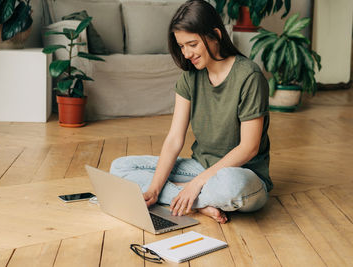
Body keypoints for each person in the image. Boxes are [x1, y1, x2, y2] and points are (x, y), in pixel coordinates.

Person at [110, 0, 273, 224]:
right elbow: (175, 139)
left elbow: (249, 147)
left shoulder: (249, 75)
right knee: (120, 167)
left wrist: (196, 184)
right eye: (181, 46)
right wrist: (155, 189)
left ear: (215, 35)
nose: (186, 54)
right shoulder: (190, 77)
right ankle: (199, 203)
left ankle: (186, 195)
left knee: (231, 186)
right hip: (200, 167)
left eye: (192, 44)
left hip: (241, 175)